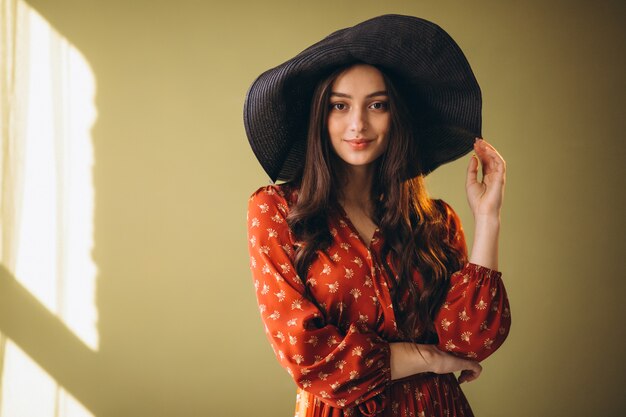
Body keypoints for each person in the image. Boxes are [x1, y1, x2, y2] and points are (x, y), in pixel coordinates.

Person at [244, 15, 510, 417]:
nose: (358, 124)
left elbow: (468, 342)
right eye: (340, 105)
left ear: (395, 116)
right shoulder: (277, 211)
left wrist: (488, 218)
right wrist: (428, 358)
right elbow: (309, 357)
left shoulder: (435, 220)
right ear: (321, 116)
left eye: (377, 105)